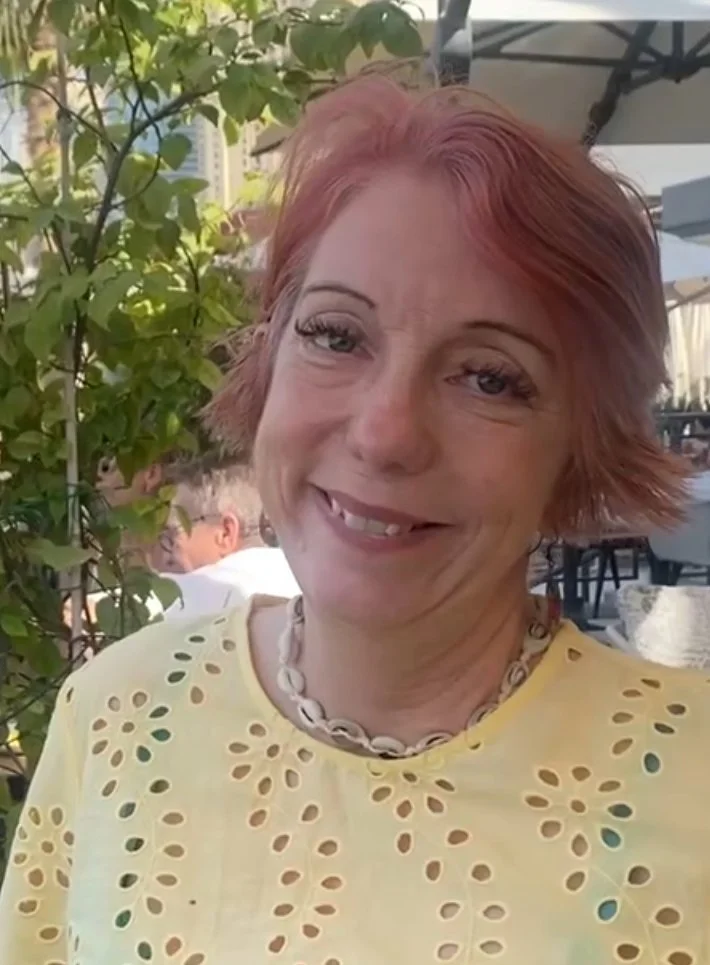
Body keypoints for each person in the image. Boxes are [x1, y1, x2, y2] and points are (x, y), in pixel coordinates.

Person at [1, 77, 708, 965]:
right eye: (337, 335)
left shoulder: (691, 785)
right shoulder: (115, 717)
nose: (384, 433)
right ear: (268, 356)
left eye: (489, 377)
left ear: (581, 447)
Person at [157, 456, 299, 618]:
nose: (167, 557)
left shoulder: (179, 597)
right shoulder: (311, 584)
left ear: (226, 533)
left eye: (173, 537)